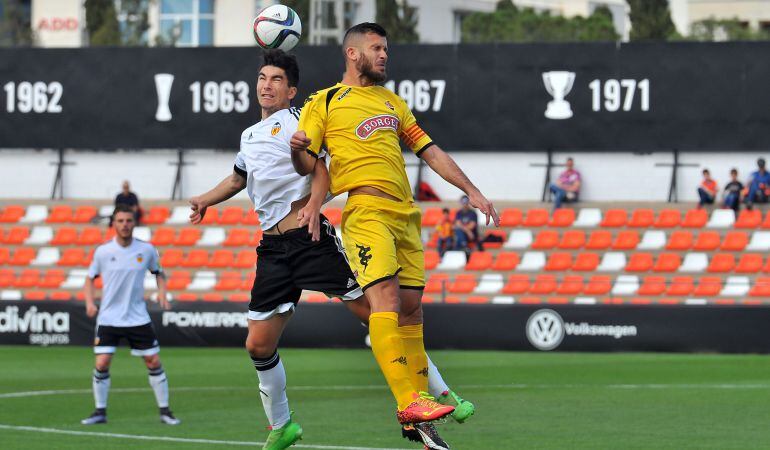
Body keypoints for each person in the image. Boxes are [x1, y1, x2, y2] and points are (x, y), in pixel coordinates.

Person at [189, 49, 470, 450]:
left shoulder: (299, 123)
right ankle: (282, 425)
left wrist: (314, 207)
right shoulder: (249, 136)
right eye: (262, 78)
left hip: (310, 241)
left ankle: (436, 396)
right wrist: (204, 199)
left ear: (291, 92)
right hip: (272, 250)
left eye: (276, 80)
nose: (266, 86)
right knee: (258, 345)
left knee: (378, 315)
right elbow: (237, 179)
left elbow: (320, 168)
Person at [290, 22, 498, 447]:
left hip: (406, 213)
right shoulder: (325, 101)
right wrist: (297, 152)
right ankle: (408, 401)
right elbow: (309, 164)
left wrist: (470, 189)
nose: (384, 55)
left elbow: (430, 151)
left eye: (386, 49)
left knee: (411, 307)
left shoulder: (393, 102)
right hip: (366, 211)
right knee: (383, 299)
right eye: (377, 48)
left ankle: (418, 407)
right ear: (352, 53)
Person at [81, 204, 179, 426]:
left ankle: (165, 411)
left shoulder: (145, 250)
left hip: (137, 317)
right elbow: (89, 278)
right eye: (120, 221)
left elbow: (158, 272)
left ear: (135, 223)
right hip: (108, 317)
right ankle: (100, 411)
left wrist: (162, 291)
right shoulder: (103, 251)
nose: (125, 225)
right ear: (114, 224)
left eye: (128, 221)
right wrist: (89, 301)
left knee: (153, 361)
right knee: (102, 362)